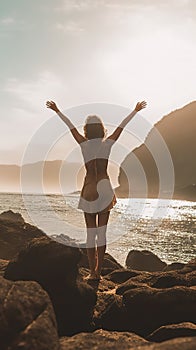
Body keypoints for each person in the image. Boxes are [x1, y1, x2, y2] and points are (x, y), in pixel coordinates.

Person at [46, 100, 147, 280]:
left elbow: (70, 127)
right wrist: (135, 110)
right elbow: (121, 127)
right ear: (101, 129)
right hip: (105, 188)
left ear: (86, 130)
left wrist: (57, 110)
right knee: (102, 233)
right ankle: (99, 271)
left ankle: (93, 272)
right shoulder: (106, 145)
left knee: (90, 233)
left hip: (89, 189)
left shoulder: (83, 144)